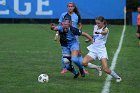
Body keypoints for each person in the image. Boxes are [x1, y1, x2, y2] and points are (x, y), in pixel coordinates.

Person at [82, 16, 122, 82]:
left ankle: (118, 77)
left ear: (103, 22)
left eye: (99, 23)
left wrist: (100, 32)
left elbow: (105, 32)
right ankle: (97, 67)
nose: (97, 24)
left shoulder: (105, 29)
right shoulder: (95, 27)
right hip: (93, 49)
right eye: (96, 23)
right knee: (84, 63)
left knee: (105, 69)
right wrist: (89, 39)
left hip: (101, 50)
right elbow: (94, 35)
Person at [55, 2, 88, 74]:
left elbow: (80, 25)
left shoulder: (76, 15)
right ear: (67, 7)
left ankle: (82, 68)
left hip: (74, 37)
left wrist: (78, 31)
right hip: (65, 36)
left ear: (74, 7)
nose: (70, 7)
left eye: (71, 6)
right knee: (65, 52)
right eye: (69, 6)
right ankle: (65, 68)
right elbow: (60, 25)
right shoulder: (63, 15)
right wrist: (58, 34)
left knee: (78, 53)